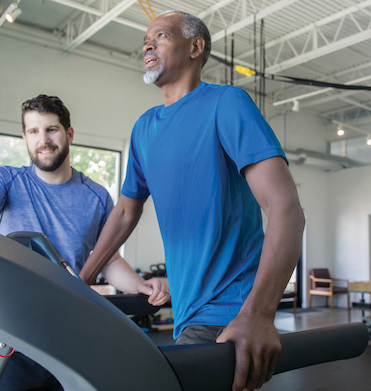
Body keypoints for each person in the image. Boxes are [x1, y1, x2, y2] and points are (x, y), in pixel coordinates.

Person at [79, 10, 305, 391]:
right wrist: (80, 281)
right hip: (185, 310)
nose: (148, 45)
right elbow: (124, 213)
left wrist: (259, 313)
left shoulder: (226, 103)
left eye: (161, 36)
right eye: (146, 40)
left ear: (195, 47)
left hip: (228, 311)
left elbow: (286, 209)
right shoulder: (144, 129)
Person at [0, 94, 170, 391]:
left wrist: (138, 284)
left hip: (69, 331)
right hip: (11, 330)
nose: (43, 140)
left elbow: (109, 259)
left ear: (69, 134)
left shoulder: (96, 196)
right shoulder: (7, 181)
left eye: (51, 129)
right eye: (34, 131)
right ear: (24, 137)